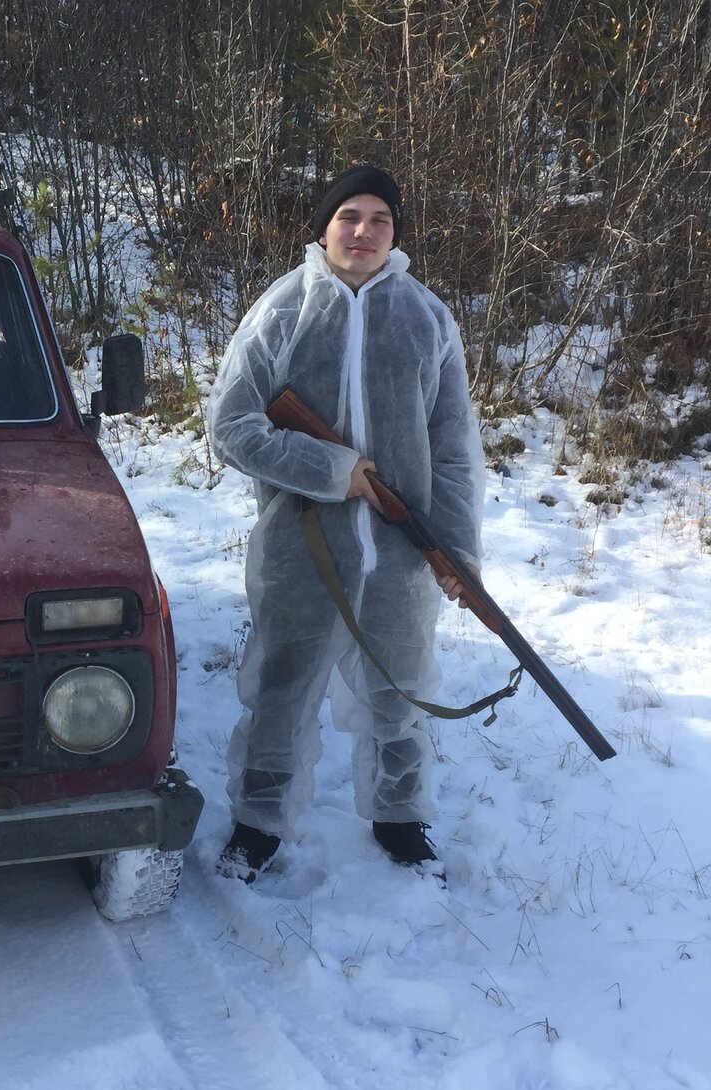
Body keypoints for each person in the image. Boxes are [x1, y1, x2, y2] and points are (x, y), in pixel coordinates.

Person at [207, 164, 485, 881]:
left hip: (400, 550)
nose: (363, 231)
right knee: (282, 689)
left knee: (399, 687)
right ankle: (258, 823)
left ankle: (400, 817)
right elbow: (232, 427)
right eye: (349, 217)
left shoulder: (427, 318)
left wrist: (454, 554)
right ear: (325, 226)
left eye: (380, 219)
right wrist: (334, 470)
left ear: (395, 233)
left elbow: (454, 453)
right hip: (300, 549)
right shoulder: (281, 311)